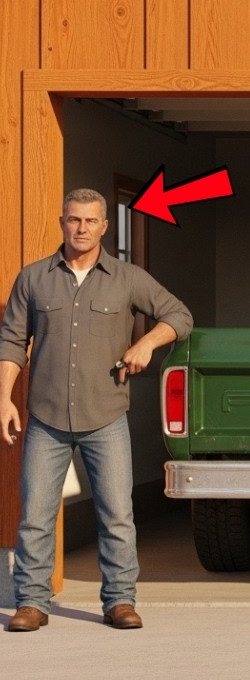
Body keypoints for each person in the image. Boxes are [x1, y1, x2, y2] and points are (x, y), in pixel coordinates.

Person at [1, 188, 192, 632]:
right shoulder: (33, 279)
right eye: (73, 220)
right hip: (46, 418)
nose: (81, 229)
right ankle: (31, 602)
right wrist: (6, 399)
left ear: (105, 226)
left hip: (106, 416)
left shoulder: (128, 278)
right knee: (35, 514)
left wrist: (146, 342)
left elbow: (179, 315)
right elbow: (11, 340)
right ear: (62, 222)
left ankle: (120, 601)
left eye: (90, 221)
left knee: (116, 514)